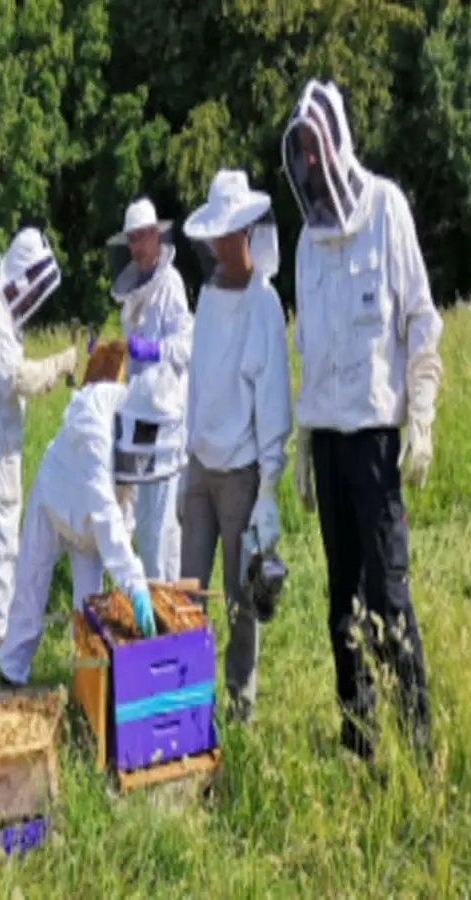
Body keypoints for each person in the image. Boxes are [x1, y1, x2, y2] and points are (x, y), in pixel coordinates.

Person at [281, 78, 443, 765]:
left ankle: (421, 745)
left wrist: (421, 417)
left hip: (376, 442)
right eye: (301, 152)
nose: (310, 164)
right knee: (340, 602)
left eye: (316, 149)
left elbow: (421, 320)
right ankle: (359, 740)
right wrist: (302, 443)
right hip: (327, 442)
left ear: (338, 144)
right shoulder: (305, 243)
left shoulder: (386, 209)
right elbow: (309, 354)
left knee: (388, 598)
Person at [177, 168, 293, 725]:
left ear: (245, 232)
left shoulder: (264, 304)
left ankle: (239, 704)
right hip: (200, 466)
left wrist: (269, 487)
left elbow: (272, 399)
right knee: (187, 594)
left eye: (228, 235)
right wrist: (186, 460)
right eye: (214, 236)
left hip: (242, 475)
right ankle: (187, 697)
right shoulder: (206, 295)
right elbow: (197, 382)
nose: (220, 246)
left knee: (239, 598)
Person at [0, 358, 187, 686]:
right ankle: (10, 673)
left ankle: (84, 686)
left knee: (89, 612)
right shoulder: (93, 422)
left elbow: (125, 501)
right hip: (53, 504)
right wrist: (135, 584)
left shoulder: (137, 430)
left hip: (91, 530)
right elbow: (106, 511)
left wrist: (128, 566)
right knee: (30, 589)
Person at [0, 227, 78, 654]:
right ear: (21, 273)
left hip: (3, 446)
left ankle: (5, 633)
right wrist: (60, 364)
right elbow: (16, 378)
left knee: (6, 540)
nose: (30, 302)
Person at [105, 197, 194, 583]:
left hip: (167, 420)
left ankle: (168, 596)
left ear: (156, 238)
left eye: (143, 238)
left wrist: (156, 350)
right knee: (142, 518)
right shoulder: (132, 295)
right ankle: (153, 594)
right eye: (132, 240)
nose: (137, 247)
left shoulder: (171, 285)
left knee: (163, 522)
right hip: (138, 418)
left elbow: (186, 346)